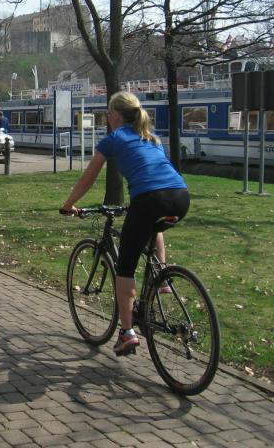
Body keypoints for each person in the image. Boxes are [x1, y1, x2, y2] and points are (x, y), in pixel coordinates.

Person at [60, 91, 189, 356]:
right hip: (180, 196)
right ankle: (162, 277)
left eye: (108, 114)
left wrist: (68, 204)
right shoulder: (151, 137)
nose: (108, 119)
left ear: (116, 116)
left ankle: (127, 332)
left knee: (125, 269)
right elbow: (153, 171)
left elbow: (87, 179)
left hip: (150, 199)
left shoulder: (114, 139)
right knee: (154, 226)